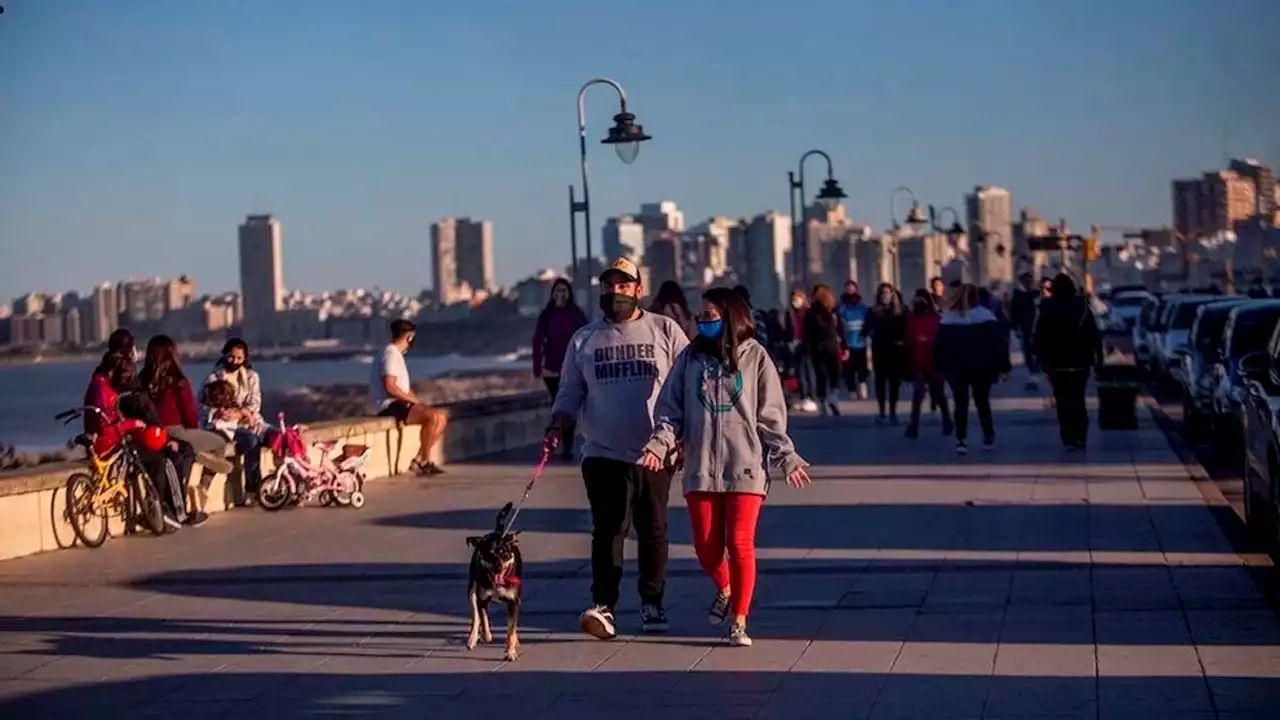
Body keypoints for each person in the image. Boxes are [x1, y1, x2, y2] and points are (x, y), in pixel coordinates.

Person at [640, 287, 810, 647]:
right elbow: (670, 410)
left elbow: (771, 416)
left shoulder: (756, 358)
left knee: (740, 543)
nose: (703, 323)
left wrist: (786, 456)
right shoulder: (689, 359)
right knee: (706, 549)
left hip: (745, 467)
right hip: (700, 467)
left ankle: (739, 621)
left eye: (711, 317)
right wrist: (659, 444)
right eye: (701, 318)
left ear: (731, 318)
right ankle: (727, 588)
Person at [543, 258, 690, 640]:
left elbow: (688, 383)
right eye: (609, 286)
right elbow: (570, 390)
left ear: (639, 289)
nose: (616, 292)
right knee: (608, 530)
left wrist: (685, 436)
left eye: (624, 285)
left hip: (656, 451)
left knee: (653, 529)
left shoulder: (665, 330)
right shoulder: (585, 339)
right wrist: (558, 422)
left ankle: (652, 602)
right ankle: (603, 605)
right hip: (601, 452)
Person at [85, 349, 183, 532]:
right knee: (156, 461)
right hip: (109, 441)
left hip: (100, 439)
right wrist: (132, 424)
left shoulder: (97, 384)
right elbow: (107, 424)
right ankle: (157, 512)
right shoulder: (107, 391)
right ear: (112, 372)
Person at [139, 334, 231, 527]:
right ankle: (203, 485)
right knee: (219, 443)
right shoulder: (178, 381)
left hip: (151, 433)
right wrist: (192, 433)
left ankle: (197, 455)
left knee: (187, 448)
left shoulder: (142, 379)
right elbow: (189, 414)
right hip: (176, 432)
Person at [935, 284, 1011, 454]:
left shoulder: (948, 318)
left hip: (957, 368)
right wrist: (1004, 366)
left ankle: (961, 439)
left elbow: (939, 345)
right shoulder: (985, 317)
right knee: (982, 401)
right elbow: (999, 343)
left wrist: (939, 365)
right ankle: (988, 434)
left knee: (960, 403)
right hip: (981, 367)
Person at [1032, 273, 1104, 451]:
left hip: (1056, 362)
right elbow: (1093, 332)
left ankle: (1068, 437)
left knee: (1062, 400)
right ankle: (1080, 435)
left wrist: (1039, 357)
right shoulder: (1082, 306)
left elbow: (1040, 335)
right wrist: (1099, 357)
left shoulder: (1047, 306)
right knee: (1078, 399)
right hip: (1080, 360)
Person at [369, 319, 448, 475]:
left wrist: (418, 402)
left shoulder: (395, 354)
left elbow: (403, 388)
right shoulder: (390, 353)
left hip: (400, 404)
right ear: (409, 337)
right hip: (390, 405)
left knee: (441, 417)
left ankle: (419, 459)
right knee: (433, 417)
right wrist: (413, 401)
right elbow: (390, 386)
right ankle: (425, 461)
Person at [203, 338, 267, 503]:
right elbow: (203, 403)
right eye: (231, 357)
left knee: (265, 438)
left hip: (246, 421)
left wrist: (239, 414)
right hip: (225, 426)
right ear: (225, 355)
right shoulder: (214, 377)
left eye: (239, 358)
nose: (235, 361)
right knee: (251, 441)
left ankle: (255, 489)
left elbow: (255, 404)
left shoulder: (251, 377)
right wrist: (219, 413)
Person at [531, 278, 588, 460]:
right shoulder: (547, 315)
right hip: (552, 369)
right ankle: (555, 442)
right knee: (558, 407)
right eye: (558, 291)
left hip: (572, 368)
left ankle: (567, 447)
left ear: (569, 294)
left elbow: (587, 336)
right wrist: (537, 366)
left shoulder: (576, 314)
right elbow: (537, 340)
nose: (561, 295)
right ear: (553, 294)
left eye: (564, 291)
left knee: (569, 407)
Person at [904, 289, 952, 438]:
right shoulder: (912, 320)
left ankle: (947, 421)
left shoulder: (936, 319)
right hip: (919, 363)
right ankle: (913, 425)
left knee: (938, 395)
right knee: (917, 396)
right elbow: (909, 342)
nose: (918, 305)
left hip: (935, 363)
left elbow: (943, 340)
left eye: (921, 302)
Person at [863, 283, 909, 424]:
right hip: (880, 350)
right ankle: (882, 411)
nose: (885, 295)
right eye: (883, 293)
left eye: (888, 292)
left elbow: (907, 329)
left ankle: (893, 411)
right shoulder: (873, 311)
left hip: (895, 351)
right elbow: (865, 329)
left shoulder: (900, 310)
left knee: (894, 383)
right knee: (880, 382)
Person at [802, 284, 845, 416]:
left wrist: (806, 349)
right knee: (835, 372)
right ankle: (833, 396)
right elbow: (840, 329)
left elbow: (807, 333)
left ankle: (823, 402)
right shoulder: (832, 311)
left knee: (821, 375)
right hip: (833, 345)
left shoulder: (811, 312)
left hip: (818, 348)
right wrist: (845, 346)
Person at [781, 290, 818, 412]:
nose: (795, 302)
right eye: (793, 299)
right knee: (799, 372)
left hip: (806, 345)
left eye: (797, 299)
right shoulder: (790, 313)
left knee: (809, 371)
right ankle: (803, 396)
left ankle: (811, 396)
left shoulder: (808, 312)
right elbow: (787, 329)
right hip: (794, 344)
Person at [836, 281, 870, 400]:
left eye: (852, 288)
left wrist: (865, 335)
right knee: (848, 368)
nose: (850, 291)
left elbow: (868, 322)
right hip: (847, 342)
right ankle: (851, 389)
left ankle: (862, 384)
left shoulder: (863, 307)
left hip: (860, 342)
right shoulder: (841, 307)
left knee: (862, 366)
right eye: (848, 289)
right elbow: (838, 324)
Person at [1010, 273, 1042, 391]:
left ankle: (1035, 373)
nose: (1028, 282)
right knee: (1028, 351)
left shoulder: (1036, 294)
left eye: (1029, 280)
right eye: (1025, 280)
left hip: (1039, 329)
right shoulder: (1019, 295)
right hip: (1026, 328)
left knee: (1037, 351)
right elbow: (1014, 312)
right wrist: (1015, 326)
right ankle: (1033, 374)